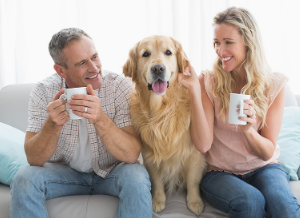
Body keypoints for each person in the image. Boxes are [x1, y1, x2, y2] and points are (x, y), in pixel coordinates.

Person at [10, 28, 152, 218]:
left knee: (136, 176)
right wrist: (53, 125)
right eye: (82, 63)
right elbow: (34, 159)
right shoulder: (43, 91)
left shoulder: (118, 86)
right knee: (24, 178)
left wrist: (100, 119)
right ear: (61, 70)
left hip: (111, 172)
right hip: (64, 174)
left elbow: (132, 154)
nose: (94, 68)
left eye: (95, 57)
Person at [178, 7, 300, 218]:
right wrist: (194, 92)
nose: (220, 50)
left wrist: (250, 131)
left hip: (264, 167)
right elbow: (203, 145)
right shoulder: (208, 81)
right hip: (218, 172)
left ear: (248, 42)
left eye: (228, 42)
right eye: (216, 43)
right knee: (251, 201)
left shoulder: (274, 85)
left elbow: (267, 152)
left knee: (284, 206)